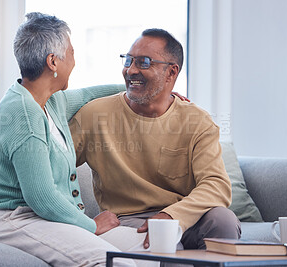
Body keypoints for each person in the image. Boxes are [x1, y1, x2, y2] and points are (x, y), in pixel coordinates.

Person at [0, 12, 136, 266]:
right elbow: (42, 197)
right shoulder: (23, 113)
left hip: (38, 218)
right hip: (8, 220)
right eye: (71, 52)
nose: (74, 60)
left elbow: (90, 95)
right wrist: (90, 225)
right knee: (119, 263)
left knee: (148, 251)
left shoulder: (51, 100)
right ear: (53, 61)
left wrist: (141, 92)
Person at [70, 28, 241, 250]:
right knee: (164, 244)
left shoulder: (197, 120)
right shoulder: (93, 115)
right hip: (128, 220)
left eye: (143, 62)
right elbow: (55, 168)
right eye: (128, 60)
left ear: (171, 73)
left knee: (223, 220)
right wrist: (81, 222)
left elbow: (216, 185)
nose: (130, 70)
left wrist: (170, 216)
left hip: (184, 215)